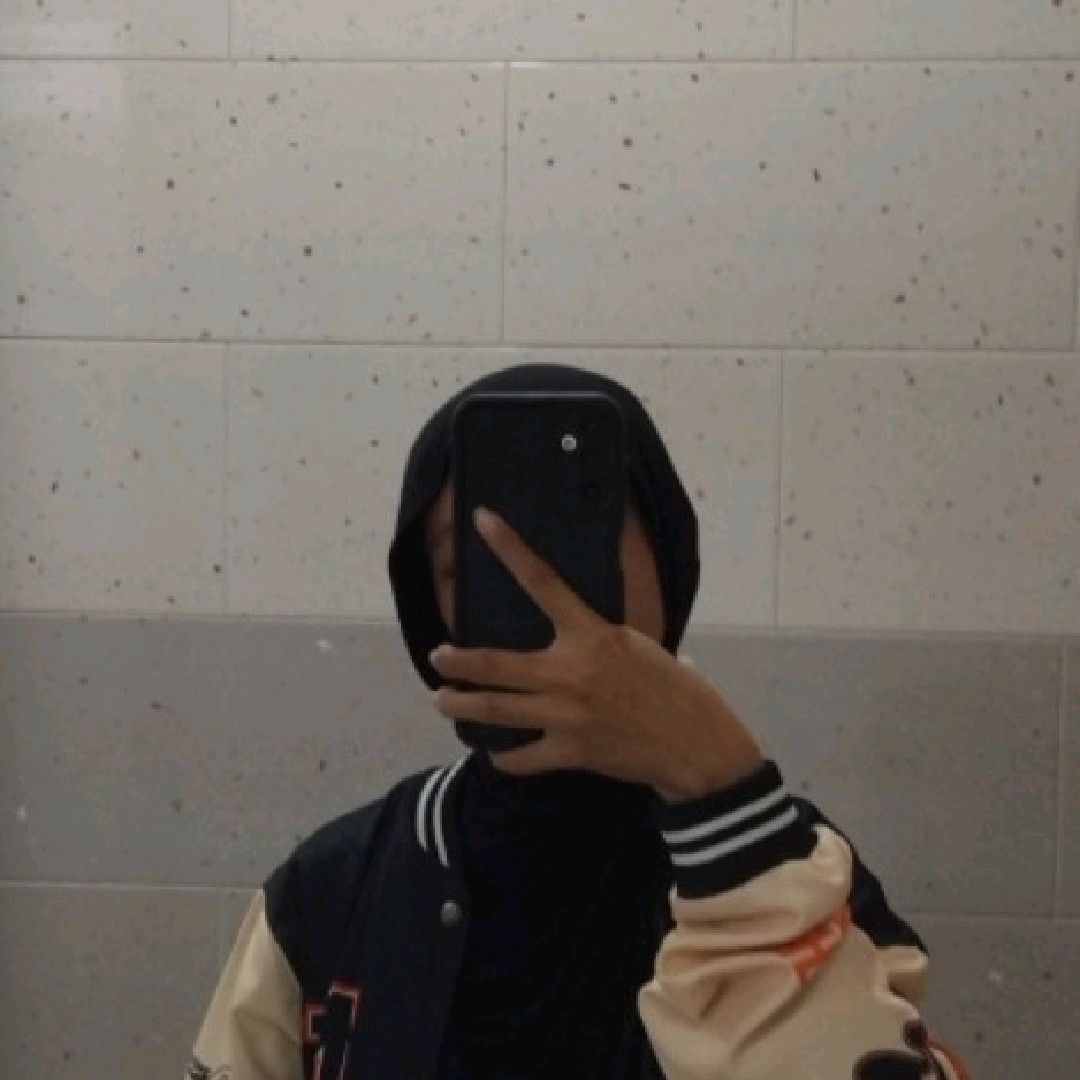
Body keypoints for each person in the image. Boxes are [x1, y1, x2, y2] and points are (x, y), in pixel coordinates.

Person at [186, 361, 970, 1080]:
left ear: (669, 560)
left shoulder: (799, 872)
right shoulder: (330, 891)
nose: (542, 597)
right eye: (478, 566)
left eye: (574, 554)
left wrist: (725, 800)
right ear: (434, 611)